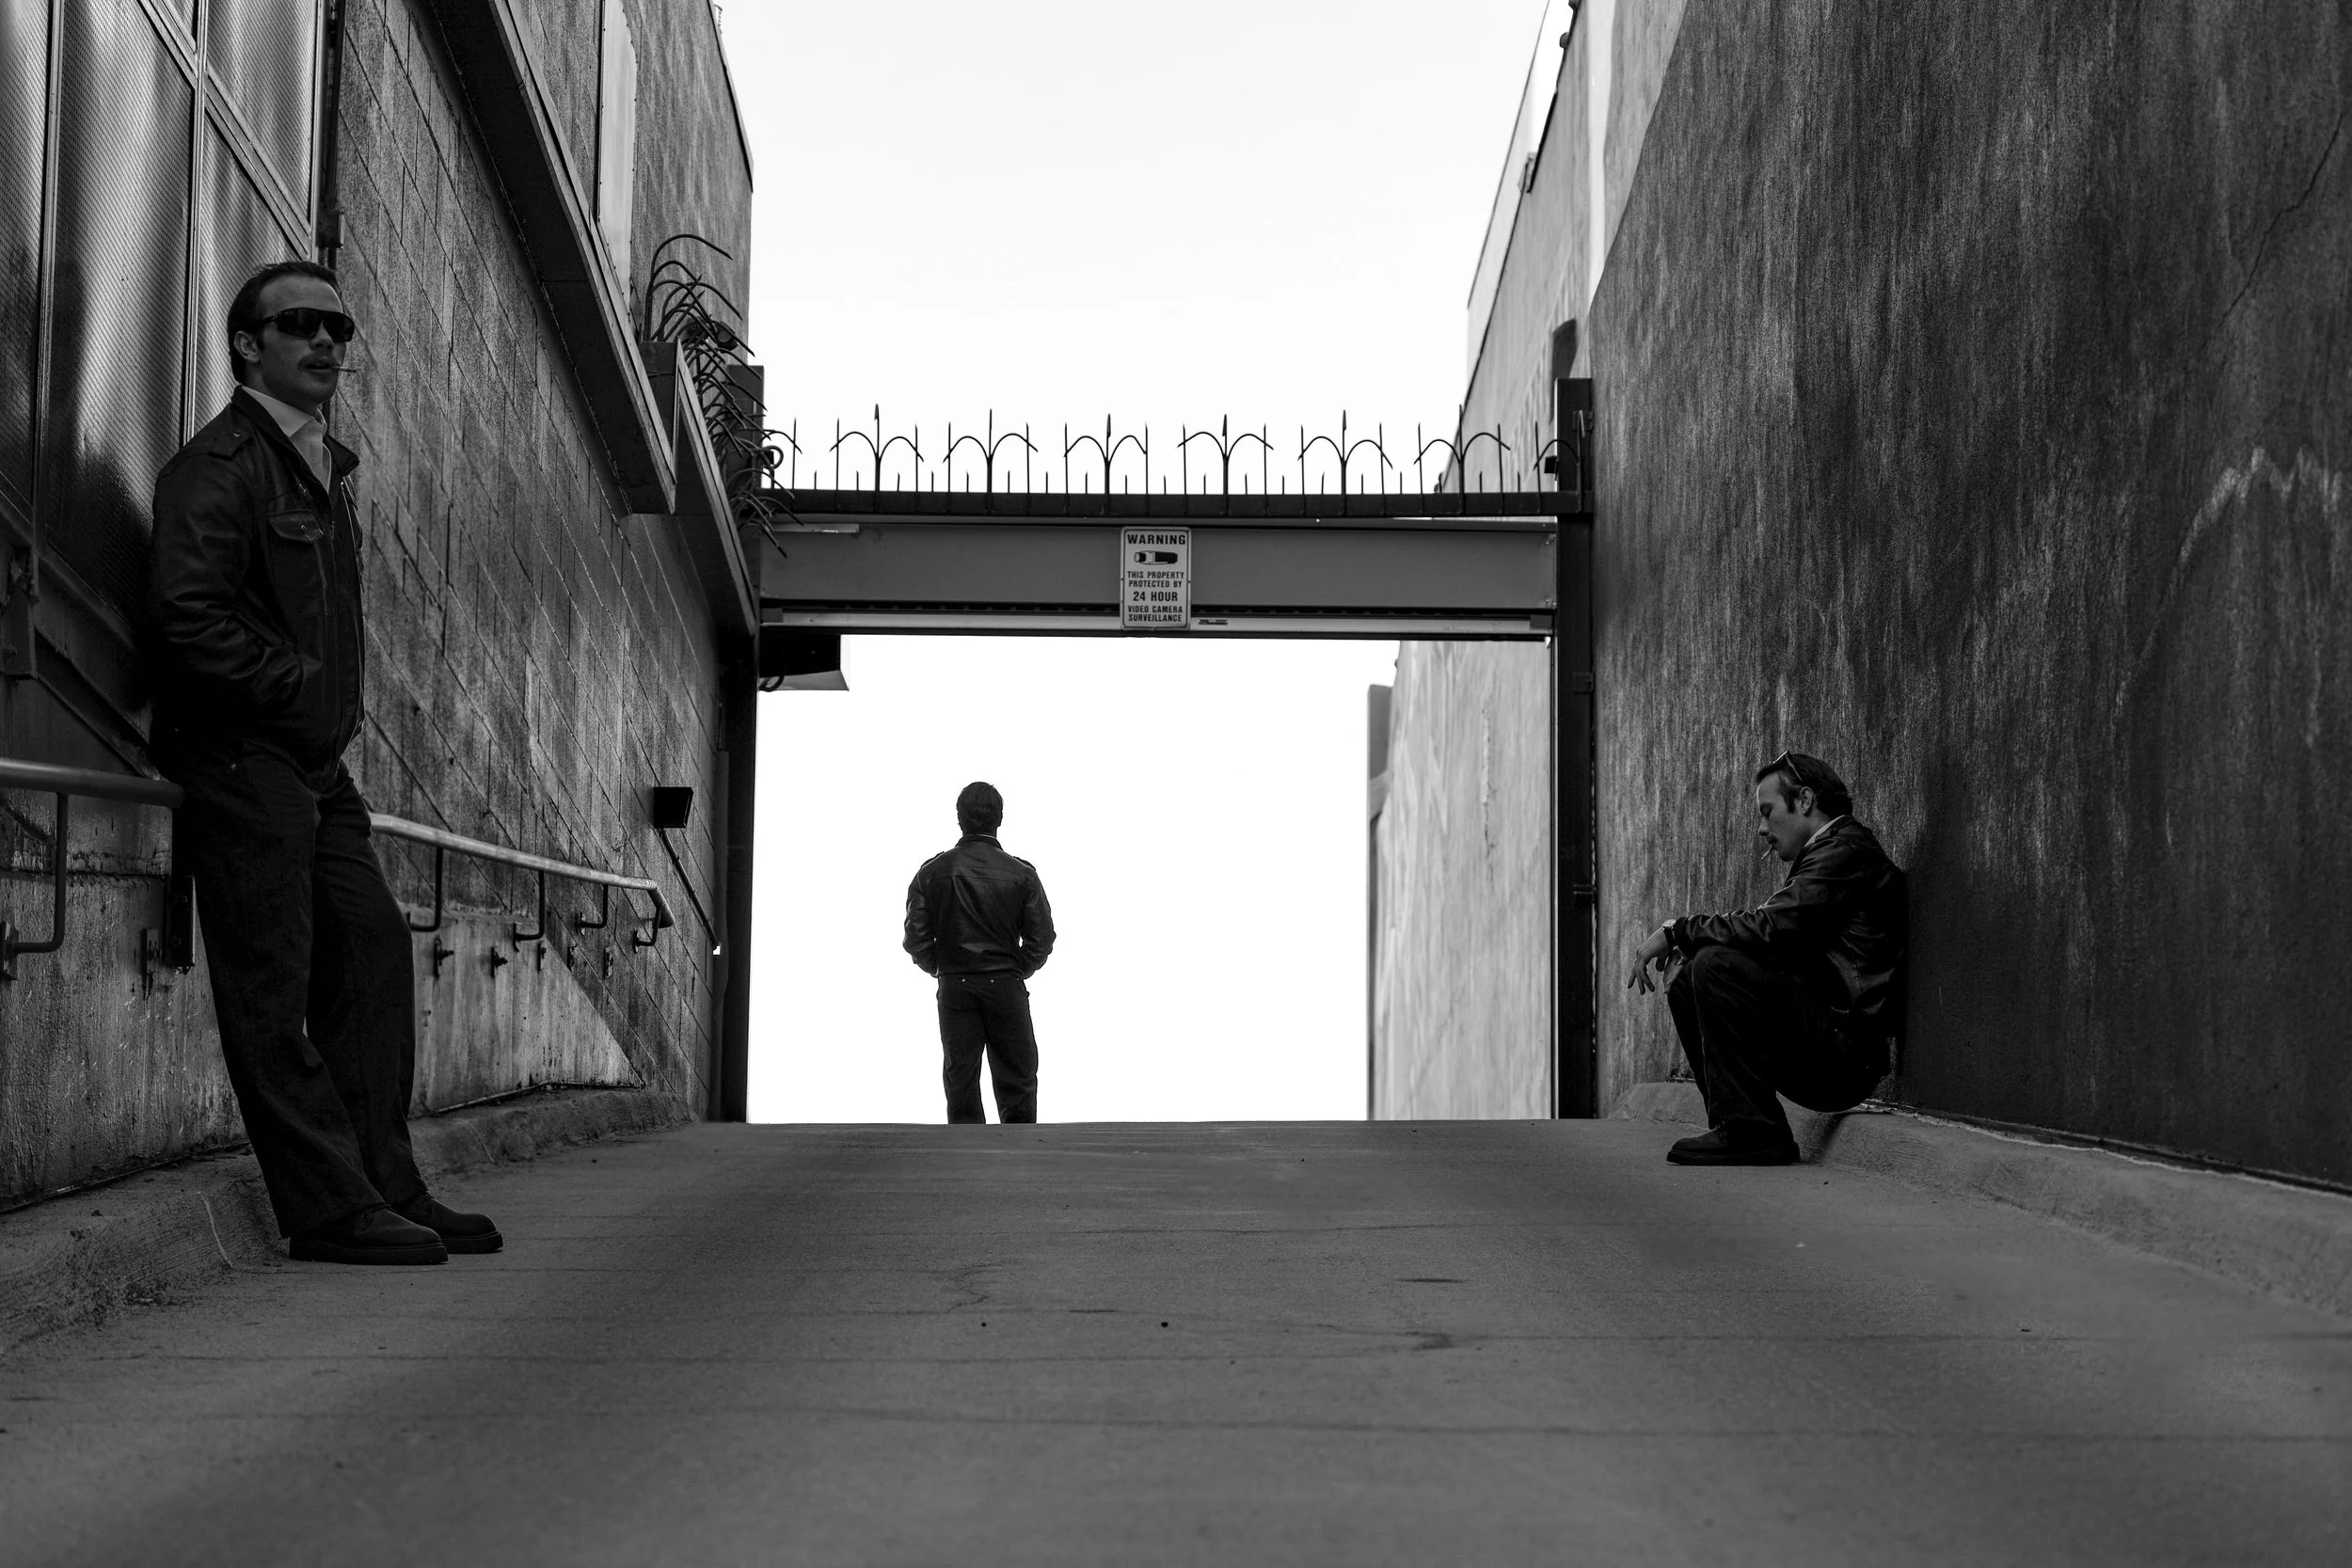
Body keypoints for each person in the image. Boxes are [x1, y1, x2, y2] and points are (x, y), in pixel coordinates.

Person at [145, 259, 499, 1263]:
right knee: (274, 986)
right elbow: (185, 616)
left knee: (374, 950)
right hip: (240, 755)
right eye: (301, 323)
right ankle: (328, 1207)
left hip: (311, 762)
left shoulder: (320, 467)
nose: (327, 342)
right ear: (248, 343)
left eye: (340, 328)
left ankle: (386, 1183)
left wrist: (318, 708)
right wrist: (295, 684)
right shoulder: (220, 467)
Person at [1625, 751, 1907, 1166]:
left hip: (1848, 1054)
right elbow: (1775, 938)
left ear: (1805, 801)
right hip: (1824, 1035)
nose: (1761, 829)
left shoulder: (1846, 851)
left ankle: (1753, 1132)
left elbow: (1771, 927)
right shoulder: (1827, 854)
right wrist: (1692, 943)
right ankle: (1734, 1125)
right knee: (1693, 972)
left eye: (1767, 811)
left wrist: (1676, 930)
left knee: (1714, 965)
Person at [902, 782, 1056, 1124]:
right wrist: (1016, 968)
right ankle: (1019, 1162)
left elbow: (916, 938)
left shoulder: (932, 872)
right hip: (1005, 985)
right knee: (1017, 1078)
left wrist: (945, 966)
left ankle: (964, 1163)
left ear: (959, 818)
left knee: (961, 1080)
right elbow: (1042, 938)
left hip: (956, 985)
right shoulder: (1022, 874)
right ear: (999, 819)